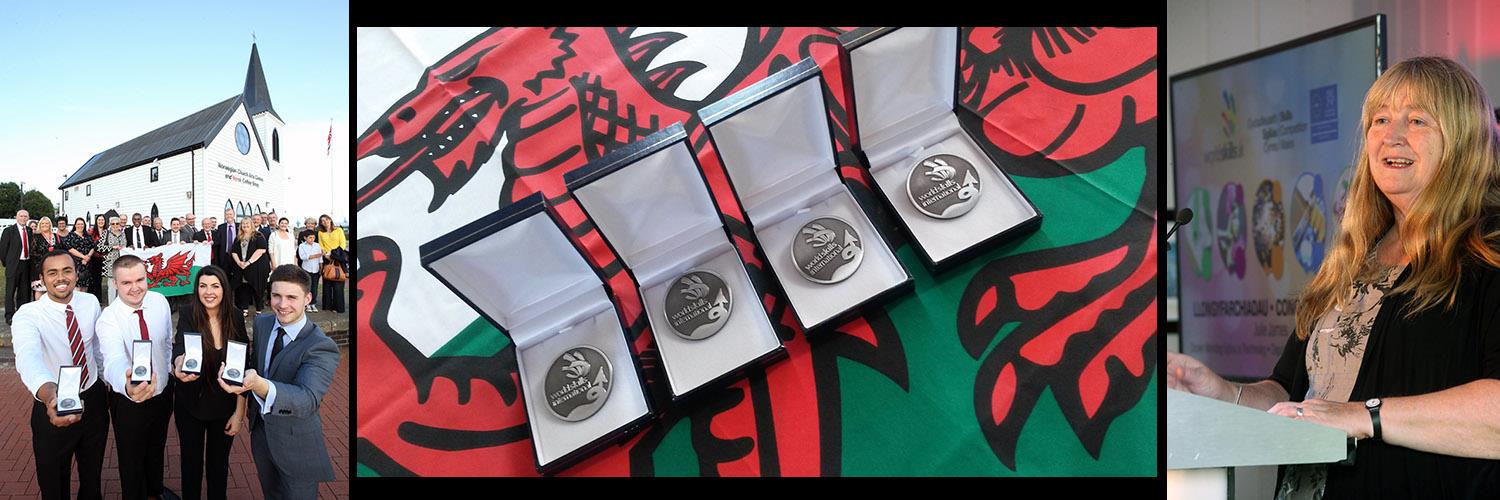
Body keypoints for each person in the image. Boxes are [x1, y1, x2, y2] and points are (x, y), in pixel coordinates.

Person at [1167, 57, 1500, 498]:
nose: (1392, 135)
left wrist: (1365, 416)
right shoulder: (1352, 258)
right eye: (1380, 120)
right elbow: (1294, 397)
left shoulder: (1489, 251)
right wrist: (1224, 395)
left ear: (1464, 138)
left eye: (1417, 119)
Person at [219, 265, 338, 499]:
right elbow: (255, 365)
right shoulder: (263, 324)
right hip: (261, 435)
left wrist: (258, 384)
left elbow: (307, 399)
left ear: (308, 298)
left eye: (292, 297)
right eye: (276, 296)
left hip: (297, 445)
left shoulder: (321, 346)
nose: (282, 305)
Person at [11, 250, 109, 500]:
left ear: (76, 274)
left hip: (93, 398)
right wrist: (50, 396)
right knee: (53, 482)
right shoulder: (28, 314)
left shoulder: (90, 303)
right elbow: (28, 356)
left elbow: (97, 348)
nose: (61, 278)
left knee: (92, 477)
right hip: (52, 403)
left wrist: (107, 379)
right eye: (52, 273)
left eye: (67, 270)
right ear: (42, 279)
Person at [96, 255, 176, 500]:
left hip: (162, 391)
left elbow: (166, 342)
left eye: (140, 280)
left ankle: (155, 491)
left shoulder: (160, 302)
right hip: (128, 399)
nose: (135, 288)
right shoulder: (108, 318)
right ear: (115, 284)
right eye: (126, 282)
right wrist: (127, 384)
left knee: (156, 447)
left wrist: (169, 371)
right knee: (131, 457)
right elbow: (112, 360)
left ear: (147, 277)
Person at [172, 265, 247, 500]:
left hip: (224, 406)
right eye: (203, 286)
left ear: (224, 289)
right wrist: (178, 364)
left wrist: (239, 413)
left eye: (215, 286)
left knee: (219, 466)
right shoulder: (188, 313)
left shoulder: (235, 316)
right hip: (190, 405)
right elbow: (179, 348)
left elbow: (244, 366)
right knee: (190, 464)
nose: (209, 292)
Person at [1, 209, 34, 325]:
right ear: (16, 217)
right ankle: (9, 315)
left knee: (24, 292)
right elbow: (3, 250)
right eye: (21, 216)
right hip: (13, 265)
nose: (23, 218)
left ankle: (22, 314)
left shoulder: (29, 231)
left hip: (26, 264)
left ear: (28, 218)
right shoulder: (9, 231)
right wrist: (7, 263)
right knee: (10, 292)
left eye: (25, 216)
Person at [232, 219, 269, 315]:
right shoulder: (238, 237)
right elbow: (234, 252)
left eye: (247, 223)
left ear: (251, 224)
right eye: (243, 224)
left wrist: (248, 262)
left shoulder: (258, 235)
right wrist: (239, 262)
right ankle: (245, 309)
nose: (245, 225)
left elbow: (261, 250)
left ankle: (258, 310)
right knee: (244, 288)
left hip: (256, 267)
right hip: (242, 267)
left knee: (257, 288)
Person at [316, 215, 346, 314]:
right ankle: (327, 305)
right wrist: (326, 255)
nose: (325, 222)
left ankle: (338, 307)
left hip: (338, 257)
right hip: (326, 258)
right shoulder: (320, 233)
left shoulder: (338, 230)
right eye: (322, 221)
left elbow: (342, 244)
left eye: (326, 219)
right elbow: (321, 245)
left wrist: (333, 255)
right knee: (327, 282)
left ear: (330, 220)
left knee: (338, 282)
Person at [97, 217, 128, 304]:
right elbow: (99, 247)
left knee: (121, 285)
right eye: (113, 223)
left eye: (117, 223)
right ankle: (111, 306)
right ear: (110, 224)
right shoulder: (106, 233)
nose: (115, 225)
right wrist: (112, 247)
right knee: (111, 286)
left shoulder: (123, 234)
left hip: (122, 263)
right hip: (111, 263)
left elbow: (126, 246)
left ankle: (120, 305)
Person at [30, 217, 61, 301]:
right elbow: (32, 252)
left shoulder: (55, 236)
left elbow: (60, 249)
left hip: (54, 267)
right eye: (42, 223)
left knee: (52, 288)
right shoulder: (36, 236)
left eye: (46, 223)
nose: (44, 225)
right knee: (40, 289)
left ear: (50, 225)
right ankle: (39, 307)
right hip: (40, 267)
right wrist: (46, 256)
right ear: (40, 225)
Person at [63, 218, 96, 295]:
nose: (80, 226)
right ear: (75, 225)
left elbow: (93, 247)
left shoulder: (87, 236)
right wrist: (83, 257)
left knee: (85, 286)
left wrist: (88, 256)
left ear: (84, 225)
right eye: (78, 224)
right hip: (76, 263)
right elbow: (70, 249)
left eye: (82, 224)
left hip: (87, 264)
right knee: (77, 286)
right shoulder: (71, 235)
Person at [296, 231, 322, 313]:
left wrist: (321, 266)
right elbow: (303, 257)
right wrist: (315, 256)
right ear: (305, 238)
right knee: (307, 287)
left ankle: (313, 303)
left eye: (313, 237)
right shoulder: (302, 246)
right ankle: (306, 304)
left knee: (315, 287)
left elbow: (320, 258)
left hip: (316, 269)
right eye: (310, 237)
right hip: (306, 269)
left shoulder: (317, 245)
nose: (312, 239)